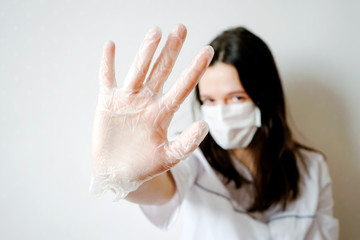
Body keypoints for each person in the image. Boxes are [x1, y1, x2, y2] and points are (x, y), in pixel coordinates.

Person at [90, 24, 339, 239]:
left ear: (265, 97)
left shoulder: (312, 169)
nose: (221, 113)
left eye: (236, 97)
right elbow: (161, 188)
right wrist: (128, 177)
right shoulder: (191, 156)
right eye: (209, 100)